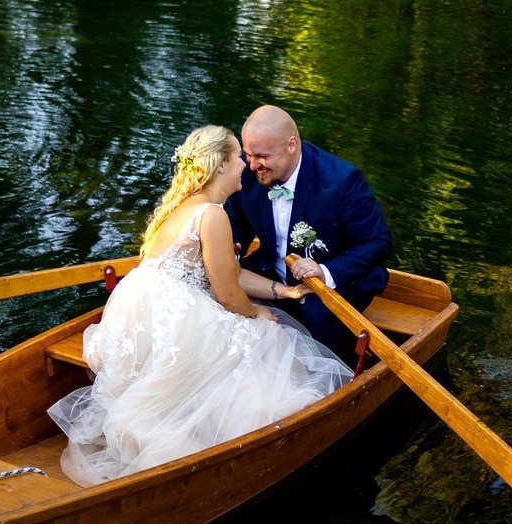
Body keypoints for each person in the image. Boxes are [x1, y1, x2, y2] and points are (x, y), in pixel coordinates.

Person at [47, 125, 354, 487]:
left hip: (137, 307)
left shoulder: (179, 207)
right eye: (238, 157)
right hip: (173, 315)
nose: (245, 165)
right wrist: (259, 313)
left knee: (257, 326)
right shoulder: (212, 215)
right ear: (221, 165)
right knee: (269, 337)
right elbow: (226, 294)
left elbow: (229, 272)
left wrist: (282, 291)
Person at [225, 105, 392, 361]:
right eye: (248, 154)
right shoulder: (250, 173)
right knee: (219, 299)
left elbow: (378, 242)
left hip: (337, 283)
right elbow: (237, 224)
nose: (252, 164)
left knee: (315, 326)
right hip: (273, 270)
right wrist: (230, 253)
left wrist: (324, 273)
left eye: (261, 156)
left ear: (292, 145)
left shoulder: (341, 181)